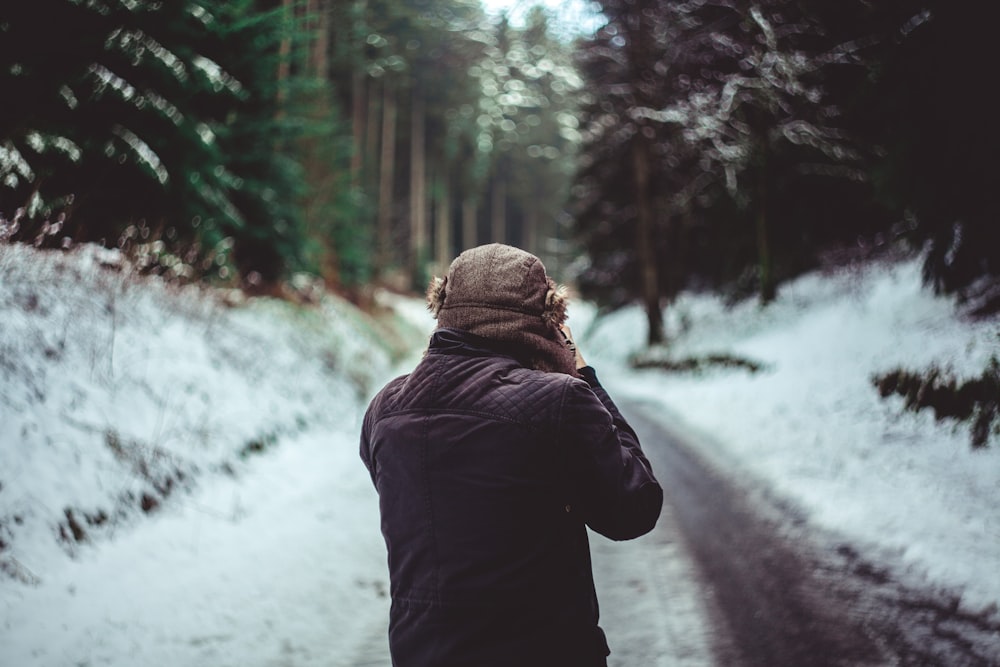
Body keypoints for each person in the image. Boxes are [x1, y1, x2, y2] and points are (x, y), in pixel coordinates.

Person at [360, 243, 663, 667]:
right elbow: (634, 506)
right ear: (546, 320)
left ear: (445, 309)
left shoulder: (386, 407)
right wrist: (583, 374)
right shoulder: (561, 400)